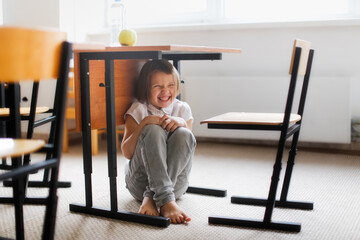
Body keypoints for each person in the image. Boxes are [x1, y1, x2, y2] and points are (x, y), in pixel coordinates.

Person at [121, 59, 196, 224]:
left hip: (175, 183)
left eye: (170, 85)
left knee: (184, 133)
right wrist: (145, 123)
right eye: (157, 86)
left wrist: (182, 122)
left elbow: (186, 148)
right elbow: (127, 153)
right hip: (139, 183)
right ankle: (165, 201)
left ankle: (153, 197)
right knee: (153, 129)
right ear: (145, 88)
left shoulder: (182, 109)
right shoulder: (138, 109)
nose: (165, 91)